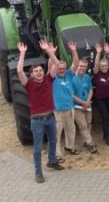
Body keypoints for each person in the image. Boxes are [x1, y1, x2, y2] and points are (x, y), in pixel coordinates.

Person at [17, 41, 64, 183]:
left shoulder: (49, 79)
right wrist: (22, 53)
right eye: (36, 71)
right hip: (37, 121)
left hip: (50, 117)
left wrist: (48, 51)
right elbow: (19, 71)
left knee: (53, 141)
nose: (39, 72)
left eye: (40, 70)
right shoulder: (28, 84)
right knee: (37, 147)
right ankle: (38, 172)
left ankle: (52, 161)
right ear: (31, 75)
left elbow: (57, 64)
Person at [53, 40, 80, 159]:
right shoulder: (53, 78)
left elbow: (76, 63)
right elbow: (52, 65)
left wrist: (74, 51)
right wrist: (52, 53)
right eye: (60, 68)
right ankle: (57, 153)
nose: (62, 70)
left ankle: (70, 146)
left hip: (70, 107)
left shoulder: (69, 75)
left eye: (63, 68)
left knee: (71, 129)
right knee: (57, 132)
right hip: (59, 110)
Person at [69, 45, 97, 154]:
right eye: (80, 66)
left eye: (84, 67)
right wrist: (83, 103)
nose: (82, 68)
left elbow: (90, 90)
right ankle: (90, 143)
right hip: (77, 106)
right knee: (83, 125)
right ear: (77, 66)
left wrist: (88, 101)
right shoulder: (71, 78)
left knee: (89, 123)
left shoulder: (86, 77)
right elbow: (71, 94)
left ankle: (86, 141)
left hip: (87, 105)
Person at [92, 44, 109, 147]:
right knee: (105, 117)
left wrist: (108, 53)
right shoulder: (97, 73)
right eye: (102, 66)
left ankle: (106, 134)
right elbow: (96, 64)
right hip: (100, 99)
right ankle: (107, 137)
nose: (104, 67)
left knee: (108, 117)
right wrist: (98, 53)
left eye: (105, 65)